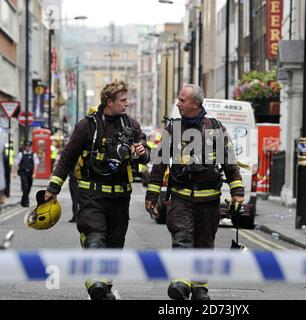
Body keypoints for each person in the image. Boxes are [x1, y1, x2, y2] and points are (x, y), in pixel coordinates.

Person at [44, 80, 150, 300]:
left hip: (120, 196)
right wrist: (53, 187)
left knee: (115, 242)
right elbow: (67, 157)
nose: (127, 104)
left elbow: (145, 154)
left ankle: (105, 286)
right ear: (108, 101)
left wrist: (142, 151)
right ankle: (96, 283)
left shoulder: (131, 125)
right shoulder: (87, 126)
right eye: (122, 100)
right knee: (95, 236)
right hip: (92, 194)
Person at [145, 84, 244, 300]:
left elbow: (230, 162)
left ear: (195, 104)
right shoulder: (173, 130)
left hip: (209, 201)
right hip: (180, 197)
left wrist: (237, 192)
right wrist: (152, 196)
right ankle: (180, 282)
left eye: (182, 100)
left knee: (204, 244)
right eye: (179, 100)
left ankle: (199, 288)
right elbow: (159, 164)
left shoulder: (216, 129)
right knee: (182, 238)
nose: (178, 104)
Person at [16, 141, 39, 207]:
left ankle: (23, 201)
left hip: (30, 173)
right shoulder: (21, 154)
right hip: (23, 173)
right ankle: (26, 202)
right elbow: (16, 163)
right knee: (25, 187)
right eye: (26, 145)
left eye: (29, 145)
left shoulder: (33, 154)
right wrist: (14, 172)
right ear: (24, 146)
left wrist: (34, 173)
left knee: (28, 187)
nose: (28, 147)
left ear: (31, 146)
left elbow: (36, 164)